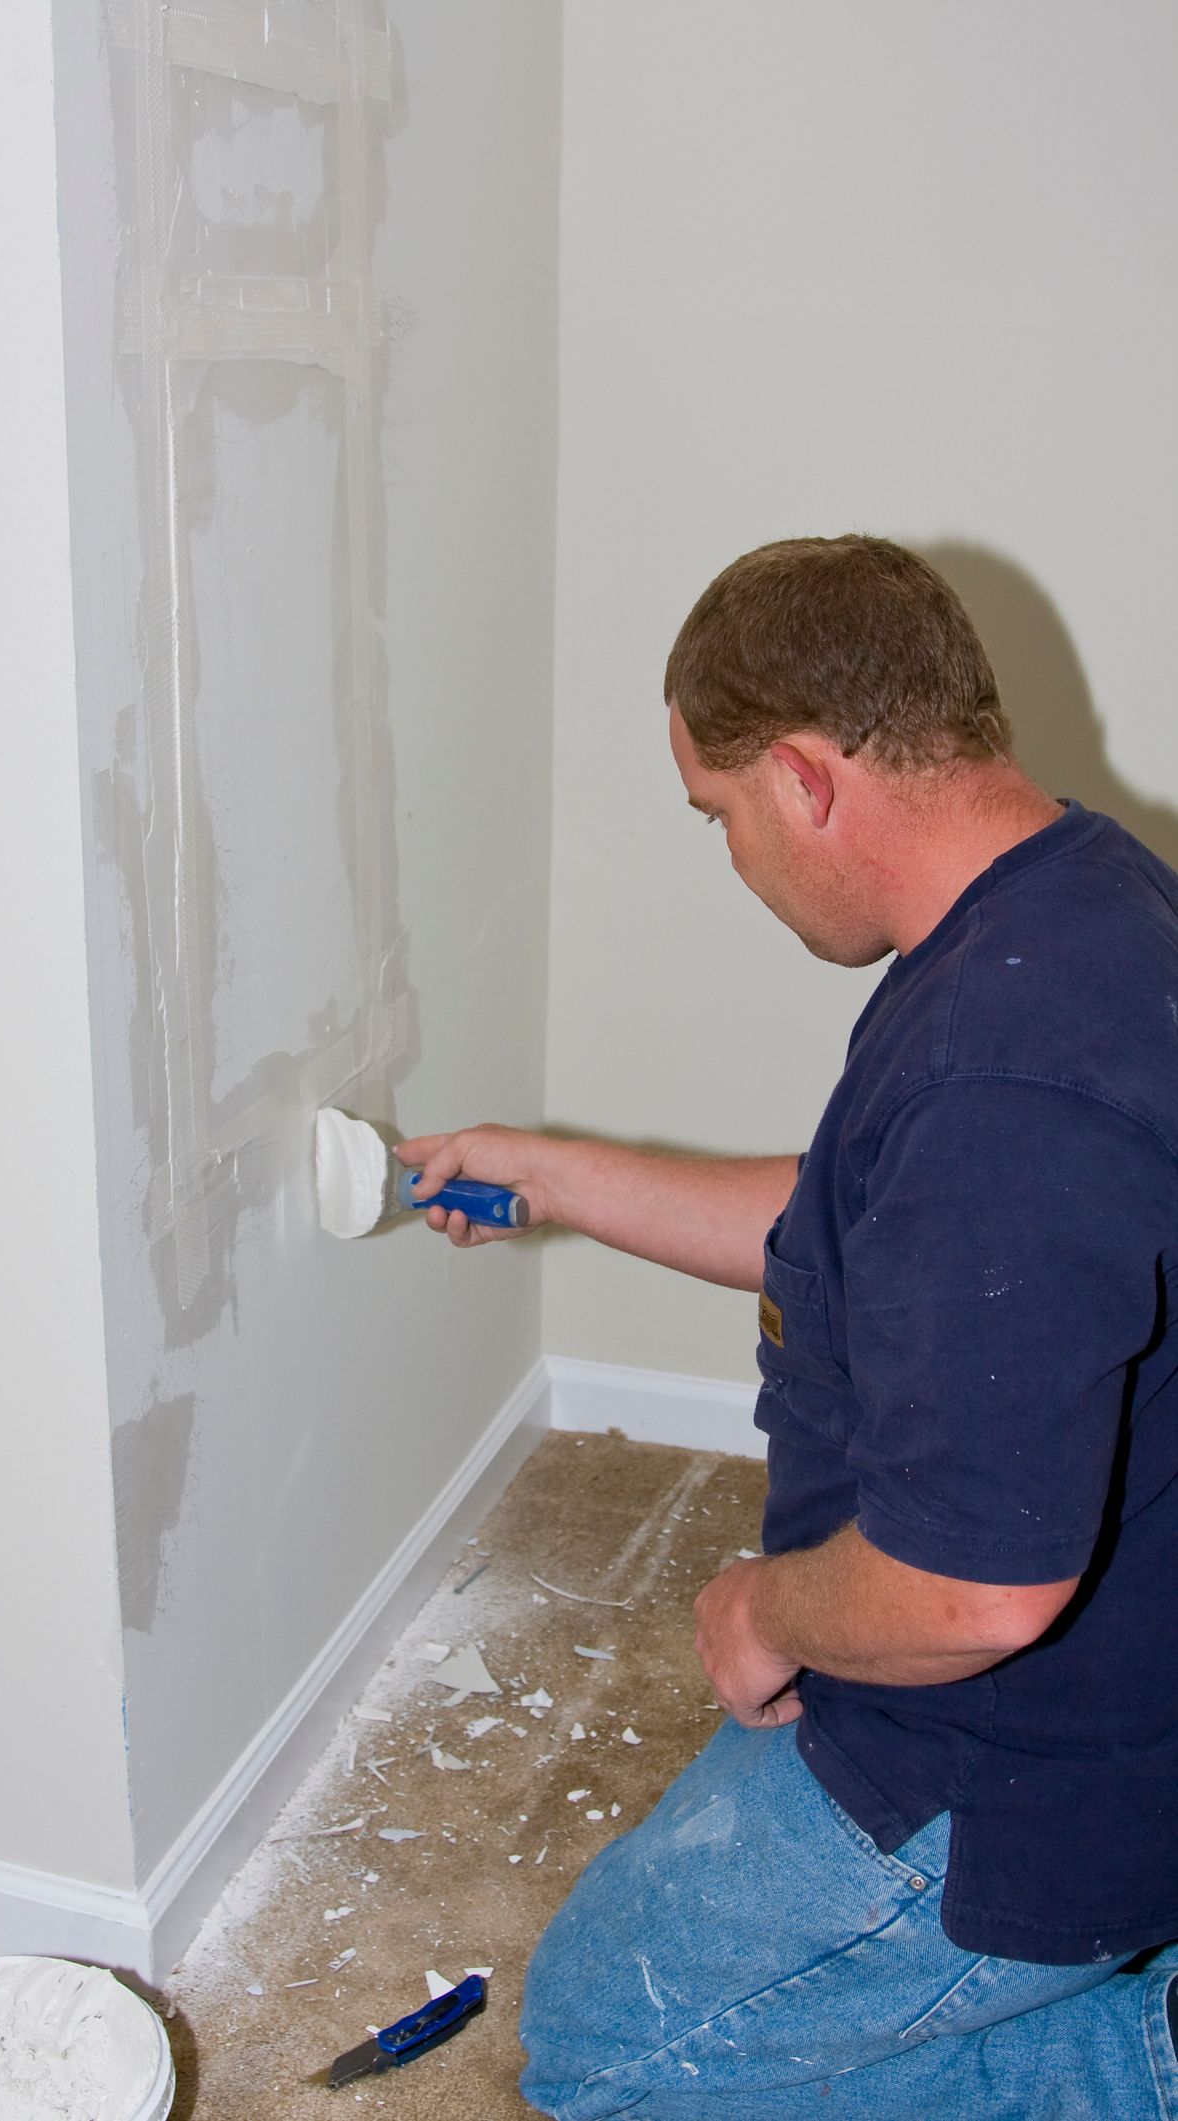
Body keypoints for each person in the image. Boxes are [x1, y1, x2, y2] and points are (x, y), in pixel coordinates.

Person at [395, 536, 1178, 2117]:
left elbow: (967, 1594)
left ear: (808, 777)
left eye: (718, 813)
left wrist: (761, 1610)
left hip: (1028, 1766)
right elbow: (860, 1221)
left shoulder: (999, 1080)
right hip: (1110, 1655)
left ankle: (1140, 2056)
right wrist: (551, 1173)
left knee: (613, 2054)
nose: (732, 855)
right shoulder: (1073, 906)